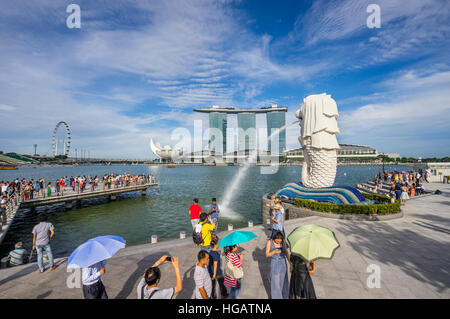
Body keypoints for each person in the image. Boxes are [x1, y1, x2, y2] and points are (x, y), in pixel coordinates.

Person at [265, 231, 290, 299]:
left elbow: (286, 253)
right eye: (277, 241)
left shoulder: (283, 242)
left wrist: (290, 263)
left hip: (282, 263)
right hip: (274, 263)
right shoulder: (269, 242)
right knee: (275, 282)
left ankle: (283, 296)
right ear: (274, 238)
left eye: (280, 240)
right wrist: (274, 252)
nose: (279, 242)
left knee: (282, 281)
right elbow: (267, 254)